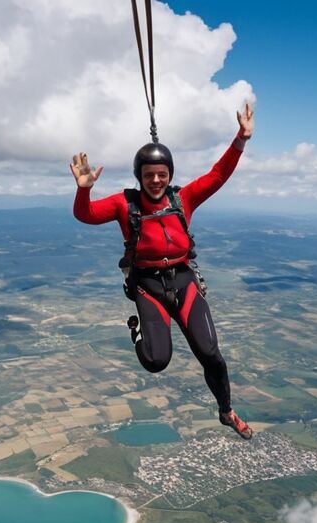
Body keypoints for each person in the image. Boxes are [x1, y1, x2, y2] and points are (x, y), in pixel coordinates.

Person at [69, 103, 256, 438]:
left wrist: (240, 139)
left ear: (169, 174)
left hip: (183, 280)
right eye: (148, 175)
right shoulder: (124, 205)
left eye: (162, 174)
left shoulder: (183, 199)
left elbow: (218, 174)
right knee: (156, 361)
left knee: (211, 355)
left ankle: (226, 411)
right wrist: (84, 188)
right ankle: (137, 329)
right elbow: (86, 215)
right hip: (148, 285)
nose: (155, 181)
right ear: (139, 177)